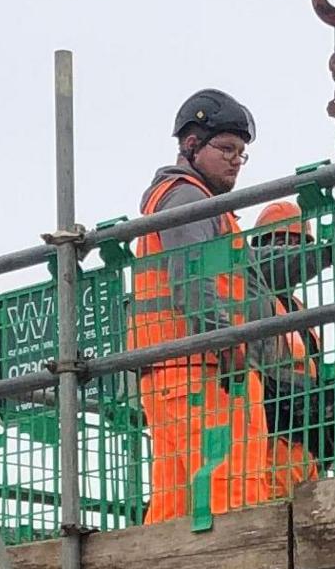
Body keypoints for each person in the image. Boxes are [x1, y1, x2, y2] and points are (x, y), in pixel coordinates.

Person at [132, 90, 321, 525]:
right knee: (232, 494)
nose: (236, 160)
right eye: (226, 149)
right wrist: (226, 341)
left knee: (178, 504)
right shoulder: (190, 201)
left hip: (181, 372)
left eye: (242, 153)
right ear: (191, 145)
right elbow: (192, 282)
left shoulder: (197, 205)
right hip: (209, 374)